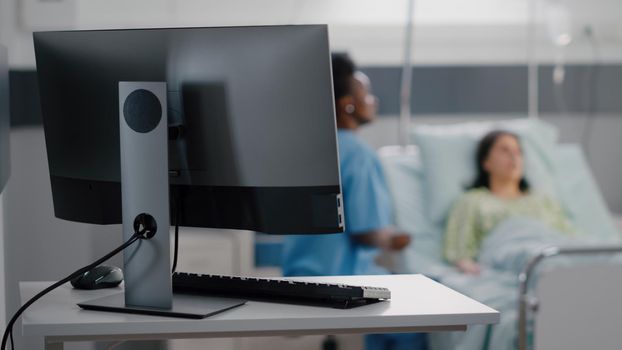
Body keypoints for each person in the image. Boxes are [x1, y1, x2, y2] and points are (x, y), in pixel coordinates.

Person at [282, 53, 426, 350]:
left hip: (297, 276)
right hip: (341, 280)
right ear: (346, 103)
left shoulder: (307, 151)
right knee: (416, 319)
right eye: (366, 93)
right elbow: (366, 233)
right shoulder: (357, 154)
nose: (373, 100)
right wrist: (399, 239)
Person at [444, 130, 576, 275]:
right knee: (532, 257)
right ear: (486, 162)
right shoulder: (472, 201)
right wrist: (474, 271)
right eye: (504, 150)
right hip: (512, 258)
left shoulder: (543, 200)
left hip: (553, 253)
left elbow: (568, 239)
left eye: (518, 152)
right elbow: (459, 252)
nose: (514, 157)